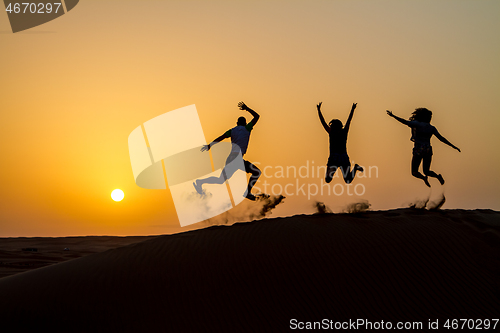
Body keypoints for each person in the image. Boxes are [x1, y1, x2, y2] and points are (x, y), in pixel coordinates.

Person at [194, 101, 261, 201]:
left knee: (221, 180)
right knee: (256, 172)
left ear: (237, 123)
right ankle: (247, 193)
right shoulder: (247, 128)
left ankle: (200, 182)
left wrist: (210, 145)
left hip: (231, 159)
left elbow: (221, 137)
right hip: (237, 159)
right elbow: (257, 116)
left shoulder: (232, 130)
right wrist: (247, 108)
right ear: (246, 123)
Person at [387, 108, 460, 187]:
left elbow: (404, 122)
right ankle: (438, 176)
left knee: (414, 172)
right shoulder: (432, 128)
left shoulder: (417, 124)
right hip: (428, 150)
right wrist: (453, 146)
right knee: (427, 171)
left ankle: (423, 178)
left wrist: (393, 116)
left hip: (419, 149)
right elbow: (441, 138)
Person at [317, 102, 363, 184]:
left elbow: (323, 122)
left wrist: (319, 111)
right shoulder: (344, 132)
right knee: (348, 180)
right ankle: (355, 168)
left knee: (327, 180)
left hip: (334, 157)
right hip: (343, 157)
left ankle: (355, 168)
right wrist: (352, 109)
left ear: (333, 126)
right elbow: (349, 120)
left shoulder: (332, 132)